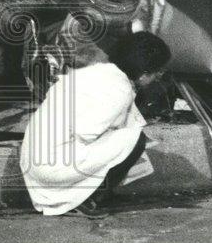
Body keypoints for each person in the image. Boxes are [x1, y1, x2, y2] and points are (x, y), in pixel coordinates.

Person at [19, 32, 172, 217]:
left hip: (33, 161)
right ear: (143, 74)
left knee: (124, 135)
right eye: (157, 73)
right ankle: (89, 198)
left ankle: (85, 193)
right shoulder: (120, 88)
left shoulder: (94, 72)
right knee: (134, 138)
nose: (157, 78)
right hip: (53, 166)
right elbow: (87, 132)